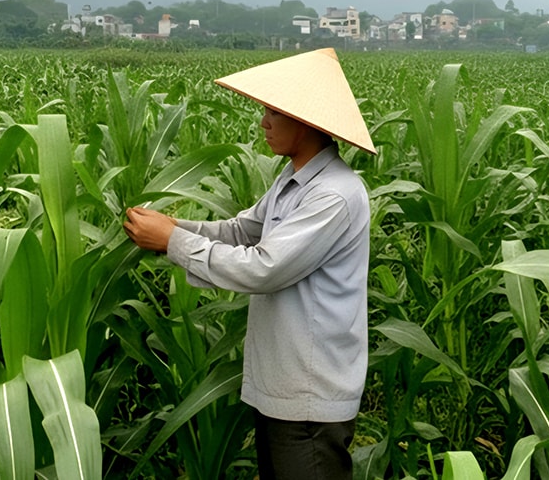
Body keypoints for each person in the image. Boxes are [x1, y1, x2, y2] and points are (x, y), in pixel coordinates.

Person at [123, 48, 376, 480]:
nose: (263, 123)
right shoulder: (293, 180)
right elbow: (243, 231)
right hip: (282, 386)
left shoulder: (333, 195)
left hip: (309, 396)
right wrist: (174, 227)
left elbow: (264, 268)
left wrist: (173, 241)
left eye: (273, 113)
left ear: (305, 121)